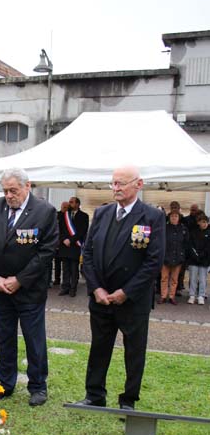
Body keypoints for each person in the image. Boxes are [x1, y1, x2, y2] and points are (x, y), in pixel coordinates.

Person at [76, 165, 165, 411]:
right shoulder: (102, 213)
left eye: (121, 183)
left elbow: (153, 261)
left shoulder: (152, 217)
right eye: (113, 183)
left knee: (134, 352)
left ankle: (128, 400)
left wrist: (126, 292)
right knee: (99, 348)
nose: (116, 188)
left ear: (139, 184)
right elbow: (88, 253)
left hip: (132, 300)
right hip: (101, 298)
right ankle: (94, 394)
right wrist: (96, 288)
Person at [0, 167, 58, 407]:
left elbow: (46, 251)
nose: (9, 196)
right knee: (4, 337)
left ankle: (37, 386)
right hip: (0, 288)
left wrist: (20, 279)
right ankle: (5, 382)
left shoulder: (44, 211)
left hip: (29, 290)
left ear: (27, 186)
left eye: (13, 190)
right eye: (5, 191)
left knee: (34, 339)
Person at [58, 196, 89, 297]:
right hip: (64, 245)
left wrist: (70, 240)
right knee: (65, 268)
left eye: (71, 202)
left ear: (77, 204)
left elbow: (82, 231)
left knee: (74, 269)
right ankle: (65, 287)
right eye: (69, 201)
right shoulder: (64, 215)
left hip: (75, 245)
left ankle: (73, 289)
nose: (69, 203)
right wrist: (64, 239)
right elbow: (60, 229)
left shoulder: (84, 216)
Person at [158, 211, 189, 304]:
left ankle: (172, 296)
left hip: (178, 257)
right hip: (165, 257)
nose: (174, 218)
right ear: (169, 217)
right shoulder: (164, 228)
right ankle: (163, 296)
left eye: (176, 216)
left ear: (179, 218)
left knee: (174, 279)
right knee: (164, 278)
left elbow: (186, 243)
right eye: (172, 216)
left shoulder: (183, 229)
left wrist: (182, 254)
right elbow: (160, 241)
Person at [187, 214, 210, 305]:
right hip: (194, 260)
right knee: (193, 278)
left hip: (204, 260)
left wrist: (202, 255)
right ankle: (192, 295)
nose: (204, 224)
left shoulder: (209, 233)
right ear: (198, 222)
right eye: (202, 222)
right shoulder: (193, 232)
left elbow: (208, 247)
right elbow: (190, 245)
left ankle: (201, 296)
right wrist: (195, 255)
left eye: (206, 222)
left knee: (202, 279)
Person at [53, 201, 69, 286]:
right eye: (63, 207)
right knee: (57, 262)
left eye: (66, 207)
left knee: (66, 264)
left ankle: (66, 281)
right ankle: (57, 279)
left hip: (66, 243)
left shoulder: (69, 216)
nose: (64, 209)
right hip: (57, 242)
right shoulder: (57, 215)